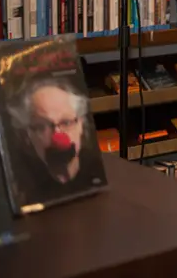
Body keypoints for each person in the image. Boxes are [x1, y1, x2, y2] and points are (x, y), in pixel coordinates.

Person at [7, 76, 104, 204]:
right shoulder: (20, 188)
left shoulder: (99, 172)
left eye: (66, 122)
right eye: (42, 126)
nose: (57, 136)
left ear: (81, 125)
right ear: (28, 135)